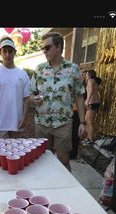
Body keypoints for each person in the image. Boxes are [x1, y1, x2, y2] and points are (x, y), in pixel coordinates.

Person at [30, 32, 86, 171]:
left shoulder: (73, 69)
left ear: (59, 47)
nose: (44, 51)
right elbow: (30, 93)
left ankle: (65, 190)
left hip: (63, 123)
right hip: (42, 124)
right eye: (43, 48)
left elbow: (79, 96)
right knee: (42, 161)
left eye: (48, 47)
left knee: (63, 161)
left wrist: (83, 122)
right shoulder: (40, 69)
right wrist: (34, 99)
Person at [0, 36, 30, 138]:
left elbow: (26, 99)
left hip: (18, 123)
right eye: (5, 51)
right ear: (0, 52)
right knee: (0, 153)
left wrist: (24, 117)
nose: (7, 54)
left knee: (18, 153)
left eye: (10, 51)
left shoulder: (23, 75)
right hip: (0, 123)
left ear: (14, 52)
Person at [83, 69, 102, 144]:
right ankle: (88, 137)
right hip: (93, 102)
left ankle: (90, 139)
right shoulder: (93, 81)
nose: (85, 76)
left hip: (92, 103)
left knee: (89, 122)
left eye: (86, 74)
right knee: (87, 121)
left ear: (90, 75)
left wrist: (87, 100)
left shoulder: (91, 81)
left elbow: (90, 91)